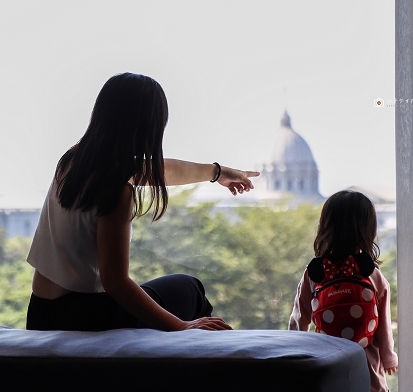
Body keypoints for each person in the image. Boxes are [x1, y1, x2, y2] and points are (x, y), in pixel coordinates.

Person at [25, 72, 257, 332]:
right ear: (148, 127)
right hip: (84, 317)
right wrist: (182, 326)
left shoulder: (72, 162)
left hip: (41, 313)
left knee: (182, 287)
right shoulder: (114, 191)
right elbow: (115, 282)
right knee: (191, 289)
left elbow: (159, 171)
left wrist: (217, 172)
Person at [288, 190, 398, 392]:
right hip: (367, 367)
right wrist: (388, 356)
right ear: (369, 229)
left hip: (328, 363)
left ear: (325, 226)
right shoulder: (371, 274)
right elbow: (383, 323)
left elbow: (299, 318)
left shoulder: (315, 272)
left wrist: (293, 354)